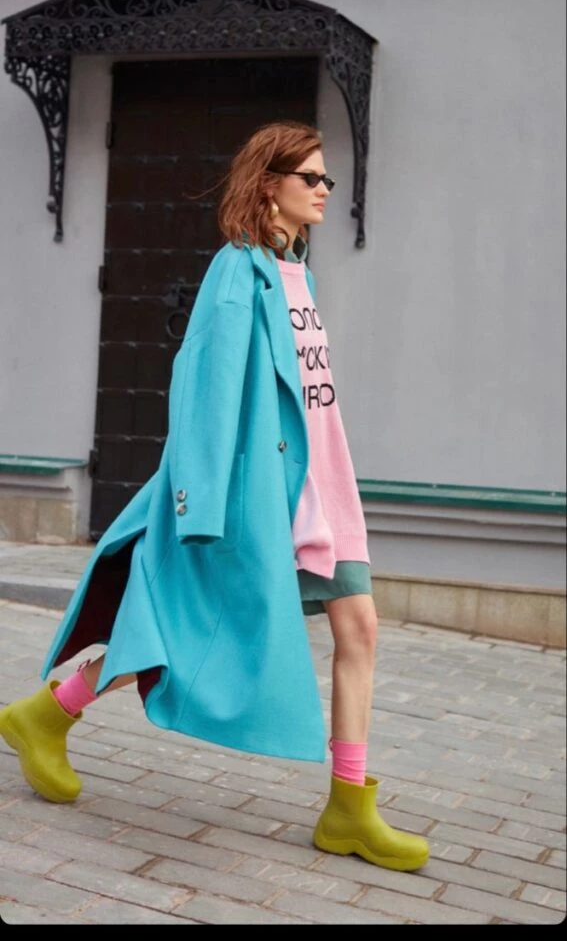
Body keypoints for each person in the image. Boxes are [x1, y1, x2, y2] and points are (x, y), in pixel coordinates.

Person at [0, 121, 428, 872]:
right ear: (269, 184)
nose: (325, 189)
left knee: (359, 626)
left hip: (322, 480)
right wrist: (200, 505)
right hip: (258, 492)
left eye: (326, 178)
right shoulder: (237, 272)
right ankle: (48, 713)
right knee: (184, 627)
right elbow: (204, 390)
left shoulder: (297, 273)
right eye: (311, 177)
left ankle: (348, 808)